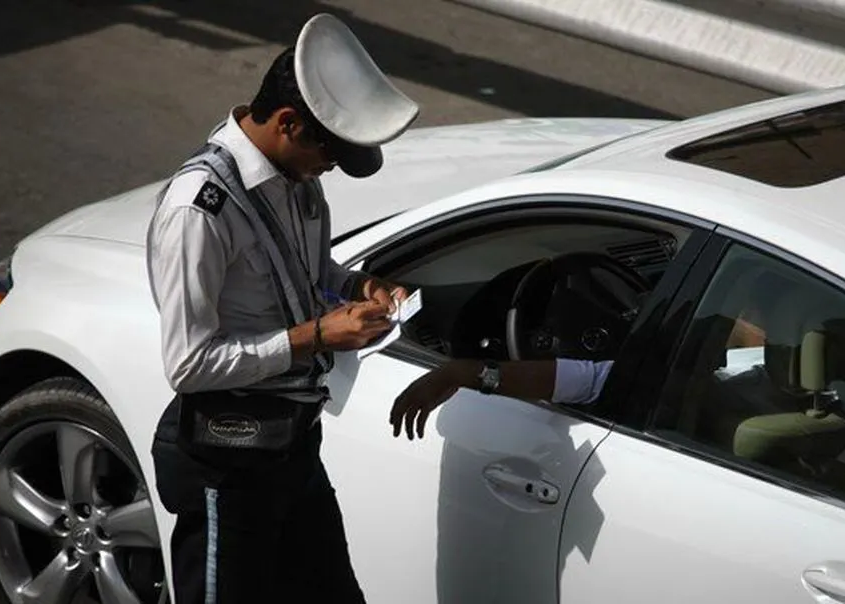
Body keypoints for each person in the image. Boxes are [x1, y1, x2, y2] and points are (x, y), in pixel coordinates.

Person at [146, 14, 419, 604]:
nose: (332, 168)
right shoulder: (201, 209)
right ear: (289, 123)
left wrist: (356, 286)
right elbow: (188, 365)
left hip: (293, 444)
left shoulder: (298, 180)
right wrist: (316, 335)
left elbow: (306, 274)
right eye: (330, 153)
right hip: (229, 459)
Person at [390, 303, 770, 440]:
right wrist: (457, 373)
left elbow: (585, 381)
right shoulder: (776, 383)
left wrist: (455, 372)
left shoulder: (670, 385)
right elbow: (583, 379)